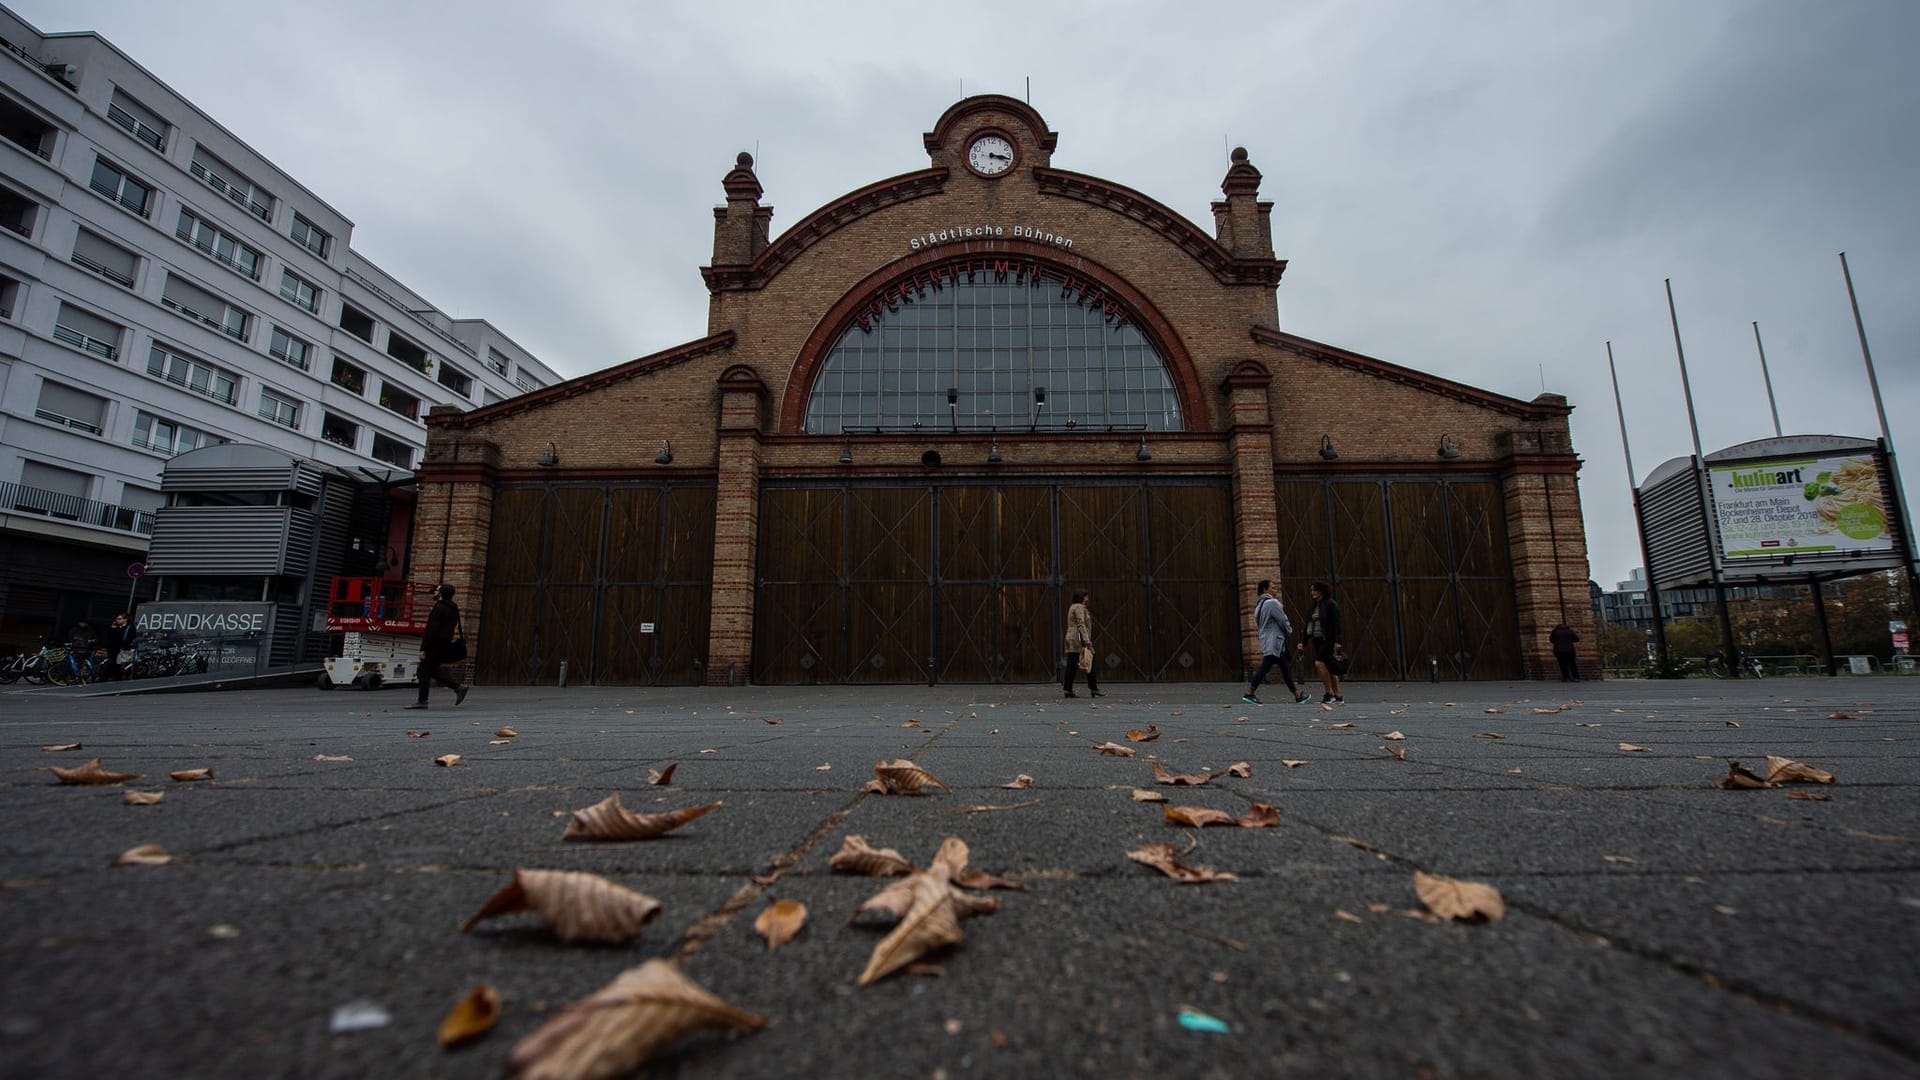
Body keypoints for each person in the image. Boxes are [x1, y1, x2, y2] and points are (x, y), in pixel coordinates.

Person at [1244, 580, 1307, 705]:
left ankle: (1297, 695)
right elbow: (1282, 619)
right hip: (1275, 642)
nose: (1275, 589)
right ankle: (1250, 693)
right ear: (1264, 589)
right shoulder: (1272, 603)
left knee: (1284, 668)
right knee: (1266, 667)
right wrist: (1289, 630)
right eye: (1272, 587)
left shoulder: (1258, 606)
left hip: (1268, 641)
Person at [406, 584, 468, 709]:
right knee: (431, 670)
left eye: (437, 590)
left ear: (441, 594)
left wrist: (423, 648)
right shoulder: (453, 607)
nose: (434, 592)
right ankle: (457, 687)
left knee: (424, 671)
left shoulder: (439, 608)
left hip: (433, 645)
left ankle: (422, 701)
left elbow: (431, 630)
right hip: (444, 643)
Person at [1305, 581, 1344, 704]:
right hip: (1317, 639)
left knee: (1319, 664)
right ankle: (1338, 695)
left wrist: (1337, 641)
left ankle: (1329, 693)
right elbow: (1308, 624)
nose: (1312, 593)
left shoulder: (1330, 604)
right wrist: (1304, 641)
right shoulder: (1313, 606)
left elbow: (1336, 623)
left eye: (1314, 590)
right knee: (1329, 666)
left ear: (1320, 591)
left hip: (1328, 640)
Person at [1062, 589, 1102, 699]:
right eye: (1086, 597)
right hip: (1078, 639)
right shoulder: (1079, 607)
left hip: (1071, 637)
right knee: (1090, 660)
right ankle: (1093, 688)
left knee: (1071, 664)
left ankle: (1068, 689)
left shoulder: (1072, 607)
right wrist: (1087, 640)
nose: (1087, 599)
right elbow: (1081, 624)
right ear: (1082, 597)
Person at [101, 612, 136, 681]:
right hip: (114, 652)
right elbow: (110, 638)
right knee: (113, 668)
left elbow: (127, 640)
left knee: (124, 669)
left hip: (125, 651)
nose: (117, 620)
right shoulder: (116, 627)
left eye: (119, 619)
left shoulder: (130, 628)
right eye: (117, 619)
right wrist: (112, 629)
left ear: (125, 619)